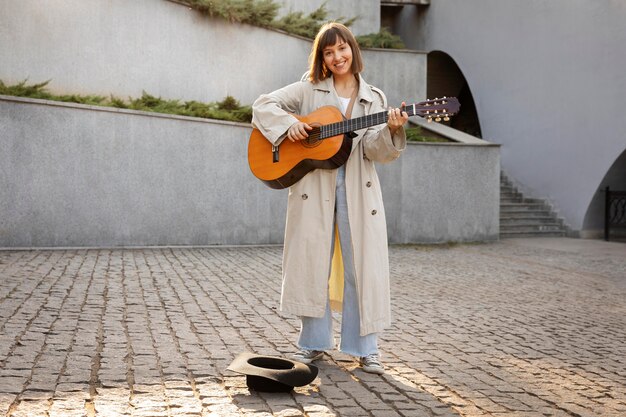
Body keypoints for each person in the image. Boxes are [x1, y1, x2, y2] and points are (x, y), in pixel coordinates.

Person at [251, 22, 409, 375]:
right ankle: (312, 344)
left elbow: (374, 151)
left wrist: (393, 130)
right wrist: (286, 126)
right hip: (313, 190)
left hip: (357, 189)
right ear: (322, 57)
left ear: (353, 50)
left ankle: (365, 348)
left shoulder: (375, 98)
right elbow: (263, 105)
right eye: (328, 51)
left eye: (342, 49)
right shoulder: (308, 90)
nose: (337, 56)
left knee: (360, 268)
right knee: (312, 265)